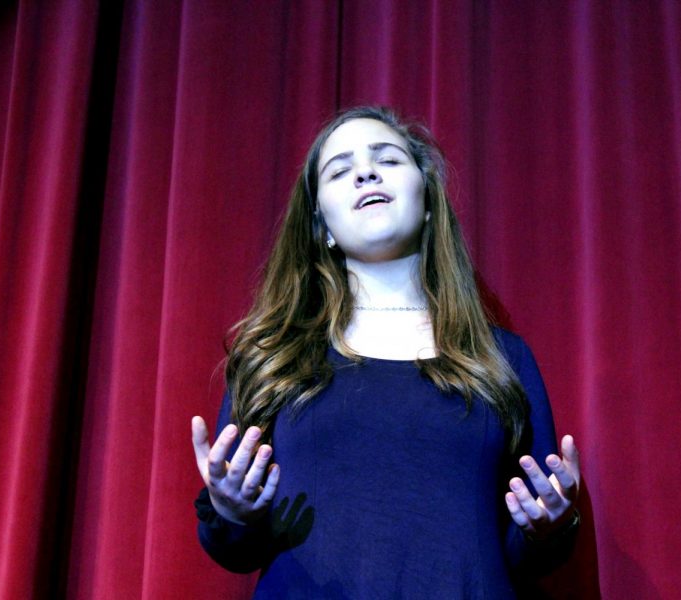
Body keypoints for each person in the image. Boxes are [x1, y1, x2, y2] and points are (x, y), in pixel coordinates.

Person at [191, 106, 581, 598]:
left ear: (428, 202)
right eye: (339, 170)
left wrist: (549, 525)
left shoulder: (501, 357)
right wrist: (230, 510)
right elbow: (235, 548)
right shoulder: (273, 357)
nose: (366, 172)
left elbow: (530, 551)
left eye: (388, 159)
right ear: (321, 227)